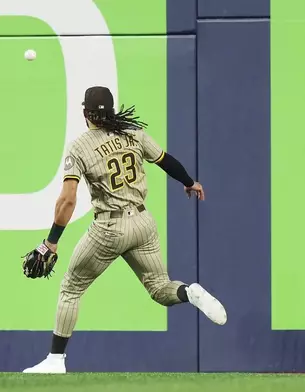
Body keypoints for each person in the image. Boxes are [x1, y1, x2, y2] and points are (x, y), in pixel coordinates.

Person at [22, 87, 226, 374]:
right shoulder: (132, 132)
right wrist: (189, 181)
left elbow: (68, 200)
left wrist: (51, 242)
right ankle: (189, 292)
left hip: (109, 227)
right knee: (160, 289)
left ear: (85, 114)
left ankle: (55, 360)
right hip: (143, 224)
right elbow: (165, 160)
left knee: (71, 287)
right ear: (112, 110)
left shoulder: (80, 146)